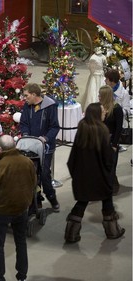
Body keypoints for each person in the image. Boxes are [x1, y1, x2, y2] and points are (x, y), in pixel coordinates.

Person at [65, 102, 125, 243]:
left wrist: (76, 175)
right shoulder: (102, 131)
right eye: (103, 111)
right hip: (100, 176)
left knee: (82, 202)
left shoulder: (82, 128)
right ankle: (112, 231)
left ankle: (71, 234)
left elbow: (73, 156)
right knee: (107, 202)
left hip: (83, 176)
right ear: (97, 114)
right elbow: (107, 158)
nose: (105, 113)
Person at [0, 135, 36, 281]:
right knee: (21, 242)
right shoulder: (28, 162)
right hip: (22, 208)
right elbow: (33, 183)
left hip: (2, 210)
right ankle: (22, 275)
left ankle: (0, 277)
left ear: (0, 148)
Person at [20, 83, 61, 212]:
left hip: (46, 146)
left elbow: (55, 127)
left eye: (26, 95)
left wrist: (46, 138)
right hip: (31, 146)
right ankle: (36, 201)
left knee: (43, 174)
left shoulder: (50, 106)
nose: (25, 98)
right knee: (31, 174)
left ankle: (52, 197)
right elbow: (24, 123)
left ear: (34, 94)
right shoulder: (27, 106)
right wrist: (26, 135)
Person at [98, 85, 124, 195]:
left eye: (100, 95)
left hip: (111, 141)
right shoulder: (99, 107)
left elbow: (119, 128)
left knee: (111, 166)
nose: (98, 97)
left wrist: (114, 144)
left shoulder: (117, 108)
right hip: (100, 141)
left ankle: (112, 185)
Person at [82, 47, 107, 111]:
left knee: (95, 90)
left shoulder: (94, 58)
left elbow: (91, 69)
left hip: (97, 76)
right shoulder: (95, 58)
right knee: (93, 91)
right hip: (96, 76)